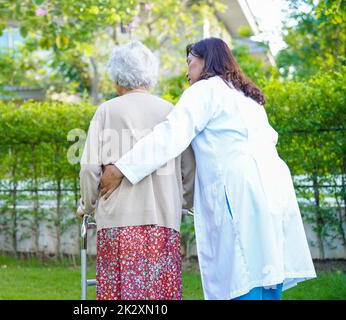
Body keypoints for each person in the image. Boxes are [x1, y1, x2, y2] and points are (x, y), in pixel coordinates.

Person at [99, 38, 316, 300]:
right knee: (266, 268)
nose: (187, 72)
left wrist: (121, 168)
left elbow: (169, 136)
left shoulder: (205, 90)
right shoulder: (247, 96)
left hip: (239, 187)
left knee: (241, 271)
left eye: (189, 62)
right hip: (273, 187)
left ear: (205, 61)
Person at [78, 41, 196, 300]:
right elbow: (189, 169)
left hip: (118, 222)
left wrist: (87, 205)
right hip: (163, 221)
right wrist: (182, 203)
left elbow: (88, 170)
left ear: (117, 76)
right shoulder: (170, 111)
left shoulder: (106, 111)